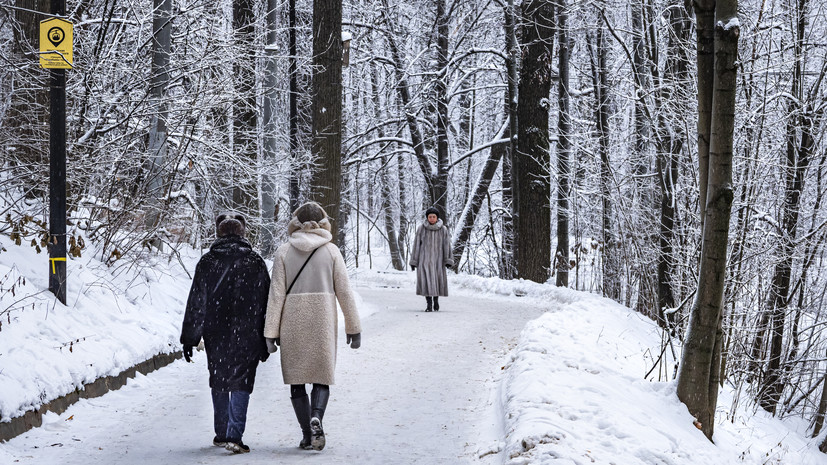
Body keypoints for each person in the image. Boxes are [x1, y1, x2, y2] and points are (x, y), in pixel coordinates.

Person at [264, 201, 362, 451]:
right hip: (322, 320)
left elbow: (275, 295)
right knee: (321, 376)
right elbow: (345, 293)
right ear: (323, 222)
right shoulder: (331, 251)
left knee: (297, 380)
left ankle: (307, 433)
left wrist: (270, 332)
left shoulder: (284, 252)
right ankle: (317, 415)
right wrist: (354, 327)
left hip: (292, 321)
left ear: (295, 223)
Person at [180, 213, 271, 454]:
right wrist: (268, 337)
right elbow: (267, 303)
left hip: (216, 332)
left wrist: (190, 337)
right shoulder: (255, 262)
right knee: (242, 381)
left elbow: (197, 302)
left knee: (219, 377)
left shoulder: (208, 262)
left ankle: (221, 432)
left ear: (219, 234)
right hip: (248, 331)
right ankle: (234, 436)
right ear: (243, 234)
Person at [409, 207, 454, 312]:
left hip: (438, 261)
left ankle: (436, 301)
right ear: (427, 218)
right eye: (430, 217)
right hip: (424, 260)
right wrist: (414, 261)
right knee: (426, 282)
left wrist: (447, 260)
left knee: (437, 281)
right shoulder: (421, 228)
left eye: (434, 217)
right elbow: (416, 245)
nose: (432, 219)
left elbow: (447, 245)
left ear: (437, 218)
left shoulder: (443, 229)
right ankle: (429, 304)